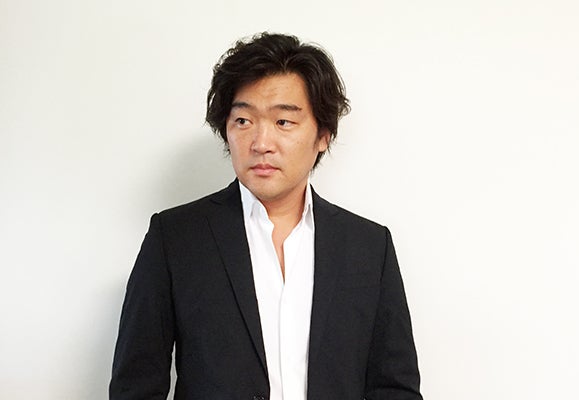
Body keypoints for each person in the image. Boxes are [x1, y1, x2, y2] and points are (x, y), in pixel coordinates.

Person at [110, 32, 423, 400]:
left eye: (283, 122)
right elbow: (136, 387)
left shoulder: (368, 247)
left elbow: (394, 388)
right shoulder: (175, 238)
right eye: (243, 120)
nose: (260, 143)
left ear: (323, 134)